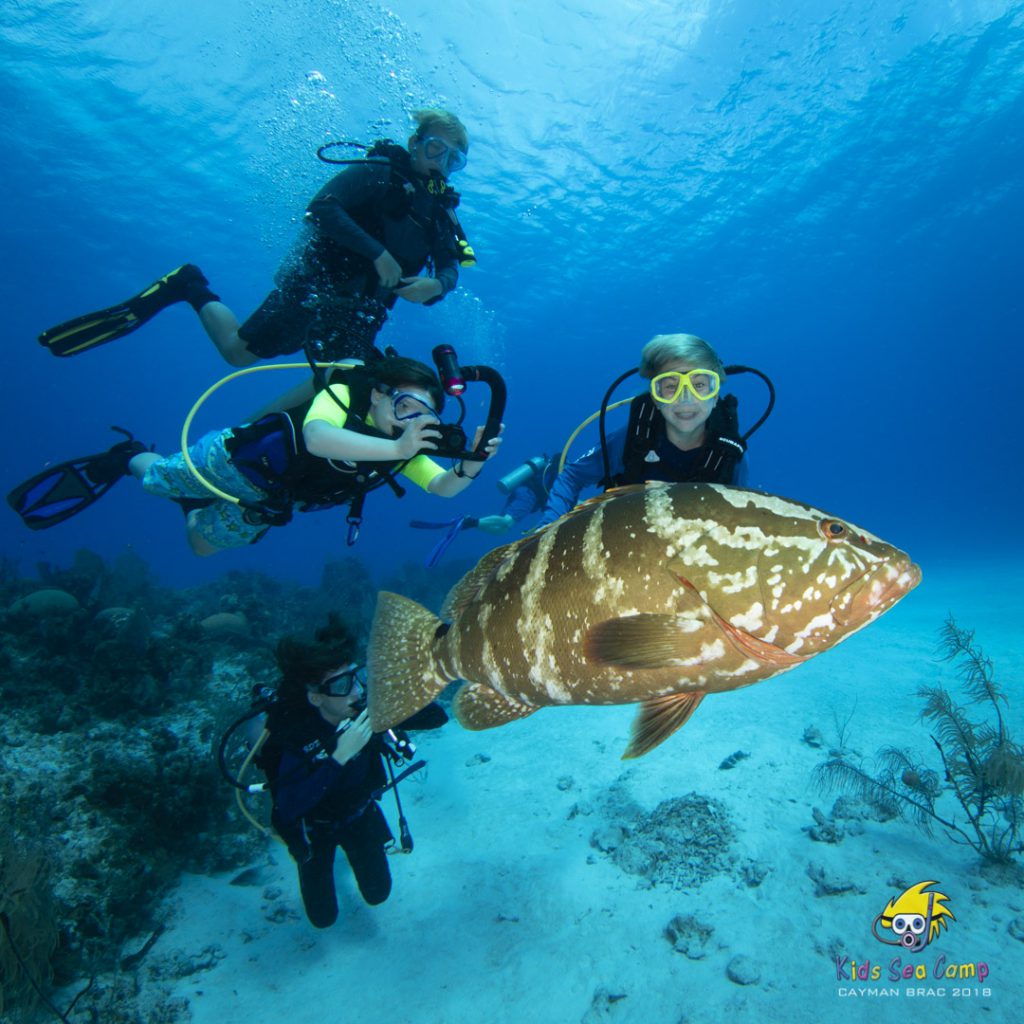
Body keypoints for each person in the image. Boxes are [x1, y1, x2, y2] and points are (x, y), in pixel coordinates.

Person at [37, 108, 471, 367]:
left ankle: (265, 457)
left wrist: (438, 284)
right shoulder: (378, 174)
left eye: (454, 159)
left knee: (348, 377)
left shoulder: (441, 214)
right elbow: (320, 209)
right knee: (238, 354)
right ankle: (189, 285)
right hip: (315, 286)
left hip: (363, 310)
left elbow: (451, 267)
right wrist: (377, 253)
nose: (441, 163)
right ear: (415, 143)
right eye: (436, 148)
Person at [9, 355, 502, 554]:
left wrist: (469, 468)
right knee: (155, 478)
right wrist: (396, 445)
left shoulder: (401, 451)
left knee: (200, 546)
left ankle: (191, 508)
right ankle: (126, 455)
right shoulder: (345, 395)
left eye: (426, 416)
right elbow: (317, 438)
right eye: (407, 405)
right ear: (378, 393)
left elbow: (441, 488)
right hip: (230, 461)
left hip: (268, 503)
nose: (413, 421)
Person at [258, 614, 447, 928]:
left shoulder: (366, 711)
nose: (357, 690)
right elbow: (289, 805)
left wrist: (405, 694)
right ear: (315, 697)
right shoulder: (294, 737)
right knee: (323, 918)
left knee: (378, 893)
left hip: (358, 814)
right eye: (343, 684)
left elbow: (435, 717)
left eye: (357, 677)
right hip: (314, 829)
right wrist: (339, 758)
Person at [538, 333, 749, 527]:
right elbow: (572, 477)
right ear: (655, 397)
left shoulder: (729, 455)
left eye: (700, 385)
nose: (686, 398)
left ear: (716, 394)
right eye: (670, 386)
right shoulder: (633, 439)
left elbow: (734, 522)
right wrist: (547, 529)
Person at [476, 453, 558, 534]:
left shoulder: (544, 467)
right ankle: (469, 522)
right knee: (506, 521)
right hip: (529, 496)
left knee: (502, 529)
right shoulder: (555, 473)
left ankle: (473, 524)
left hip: (519, 490)